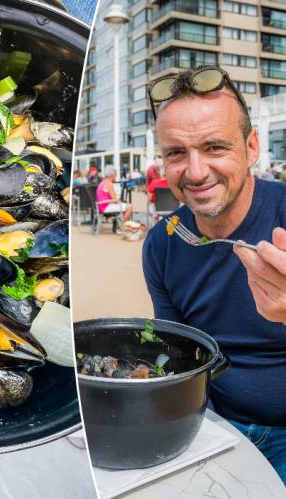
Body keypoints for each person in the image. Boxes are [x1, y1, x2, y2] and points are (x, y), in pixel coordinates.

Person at [142, 66, 286, 482]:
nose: (196, 171)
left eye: (215, 147)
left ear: (252, 146)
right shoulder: (162, 243)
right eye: (175, 153)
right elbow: (176, 353)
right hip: (211, 426)